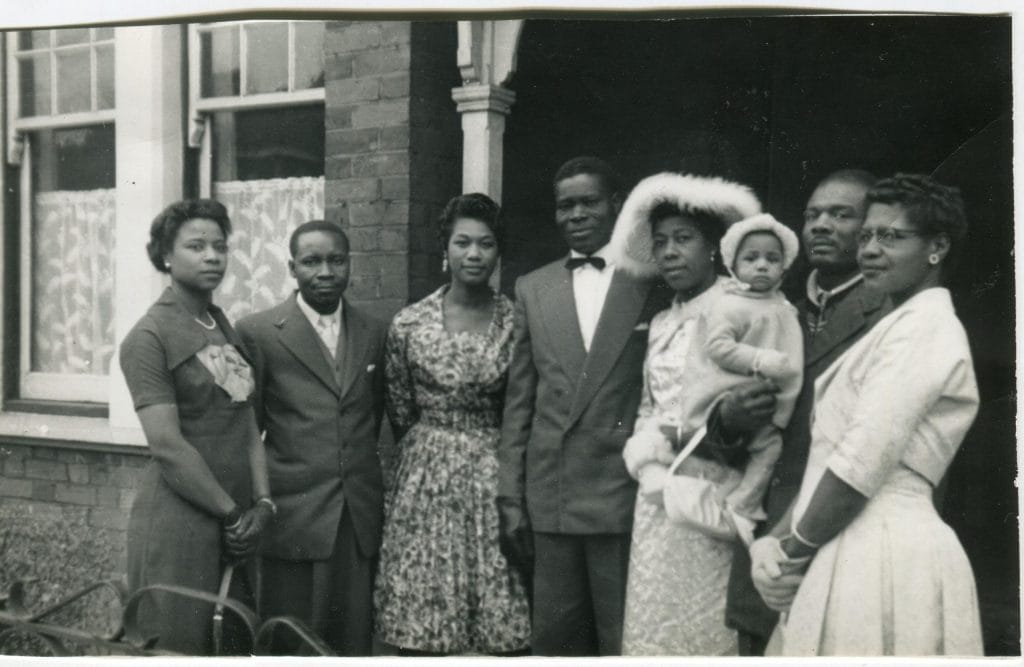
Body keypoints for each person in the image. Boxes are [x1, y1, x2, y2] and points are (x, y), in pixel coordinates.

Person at [749, 173, 983, 656]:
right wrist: (774, 543)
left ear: (936, 247)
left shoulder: (926, 328)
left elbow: (860, 462)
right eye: (868, 235)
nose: (871, 249)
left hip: (884, 551)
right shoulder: (901, 325)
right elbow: (831, 457)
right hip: (845, 540)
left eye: (892, 237)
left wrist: (791, 554)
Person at [497, 157, 673, 656]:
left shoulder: (650, 279)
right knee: (555, 640)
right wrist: (510, 498)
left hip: (622, 489)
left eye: (589, 202)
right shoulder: (533, 287)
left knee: (622, 636)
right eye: (565, 205)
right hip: (553, 494)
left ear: (615, 206)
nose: (576, 214)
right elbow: (519, 403)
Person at [723, 169, 888, 655]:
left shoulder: (888, 316)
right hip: (761, 539)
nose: (820, 225)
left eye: (841, 214)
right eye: (813, 214)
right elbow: (725, 425)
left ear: (872, 228)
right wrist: (728, 420)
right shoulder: (774, 312)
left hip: (832, 535)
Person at [608, 172, 762, 655]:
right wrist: (646, 464)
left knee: (708, 624)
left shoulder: (742, 310)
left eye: (683, 239)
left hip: (715, 491)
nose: (670, 252)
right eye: (660, 243)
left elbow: (755, 408)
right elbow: (650, 405)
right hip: (656, 498)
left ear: (714, 247)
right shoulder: (660, 321)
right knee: (657, 623)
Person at [374, 193, 531, 655]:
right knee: (425, 603)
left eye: (485, 244)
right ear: (445, 250)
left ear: (498, 251)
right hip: (425, 479)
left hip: (493, 474)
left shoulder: (517, 321)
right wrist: (434, 451)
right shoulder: (409, 323)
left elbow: (521, 405)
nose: (474, 254)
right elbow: (401, 410)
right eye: (462, 243)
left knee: (496, 605)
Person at [119, 199, 272, 654]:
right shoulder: (148, 337)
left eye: (220, 247)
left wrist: (263, 503)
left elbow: (247, 425)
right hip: (182, 520)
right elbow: (167, 446)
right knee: (181, 645)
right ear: (166, 255)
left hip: (240, 519)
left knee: (233, 642)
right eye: (196, 246)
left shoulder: (225, 329)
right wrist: (233, 514)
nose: (212, 256)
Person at [236, 221, 387, 656]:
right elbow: (251, 425)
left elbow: (369, 417)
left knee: (352, 639)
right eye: (312, 261)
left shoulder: (374, 332)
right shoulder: (260, 332)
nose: (325, 271)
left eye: (336, 260)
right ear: (292, 267)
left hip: (355, 518)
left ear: (349, 265)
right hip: (294, 514)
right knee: (293, 637)